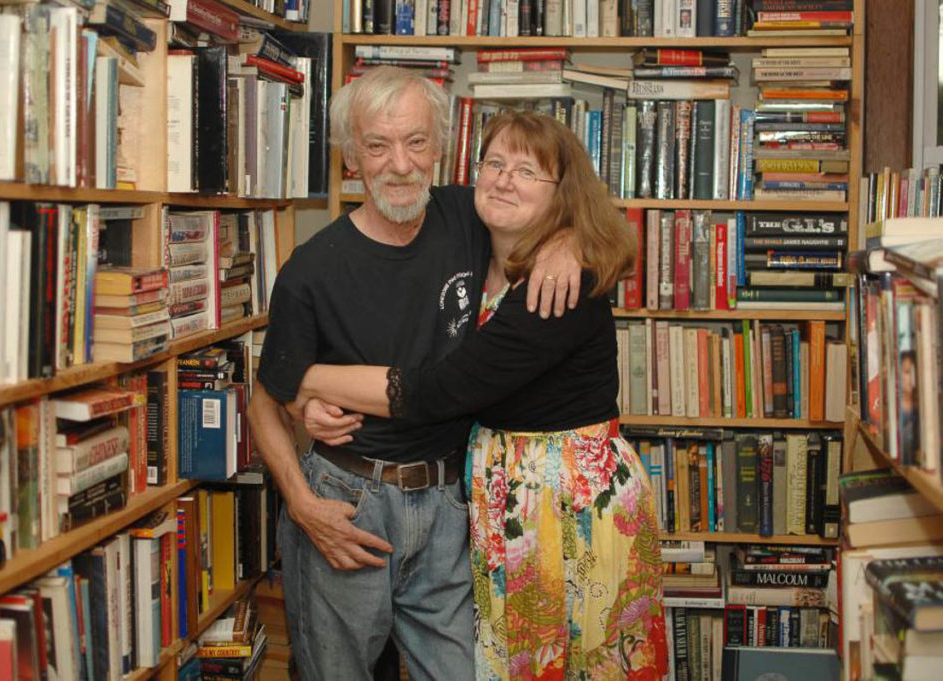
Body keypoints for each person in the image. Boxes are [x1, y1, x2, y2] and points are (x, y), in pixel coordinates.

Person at [294, 111, 669, 681]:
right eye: (494, 163)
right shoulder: (469, 254)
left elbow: (438, 390)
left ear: (561, 194)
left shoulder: (559, 285)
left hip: (568, 504)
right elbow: (403, 185)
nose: (503, 180)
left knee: (589, 665)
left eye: (527, 171)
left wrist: (308, 378)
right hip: (507, 494)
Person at [247, 67, 581, 681]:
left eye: (416, 142)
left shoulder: (468, 215)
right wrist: (299, 501)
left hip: (452, 503)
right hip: (347, 503)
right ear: (352, 158)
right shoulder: (310, 270)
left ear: (442, 148)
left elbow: (555, 202)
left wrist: (567, 239)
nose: (399, 164)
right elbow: (264, 403)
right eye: (377, 145)